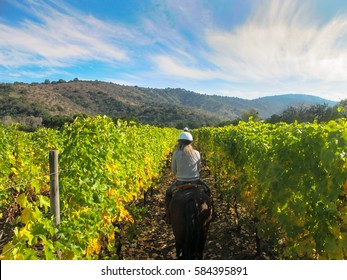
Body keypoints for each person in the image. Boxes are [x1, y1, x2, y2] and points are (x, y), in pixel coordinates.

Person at [164, 130, 210, 224]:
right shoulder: (197, 153)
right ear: (191, 142)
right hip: (196, 181)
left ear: (179, 142)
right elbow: (198, 169)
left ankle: (168, 216)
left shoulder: (176, 153)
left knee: (168, 193)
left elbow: (173, 170)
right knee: (208, 191)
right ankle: (212, 213)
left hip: (180, 182)